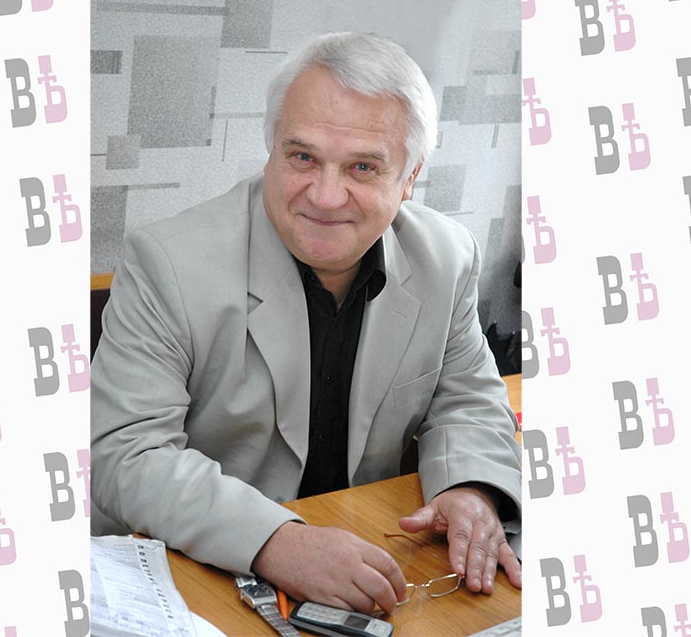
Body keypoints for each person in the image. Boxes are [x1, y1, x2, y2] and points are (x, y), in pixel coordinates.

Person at [91, 31, 521, 615]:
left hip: (370, 554)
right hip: (200, 574)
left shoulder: (447, 256)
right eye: (302, 157)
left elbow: (468, 401)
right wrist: (275, 541)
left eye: (363, 167)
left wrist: (470, 488)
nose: (324, 195)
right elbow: (125, 452)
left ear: (410, 176)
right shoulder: (167, 261)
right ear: (272, 149)